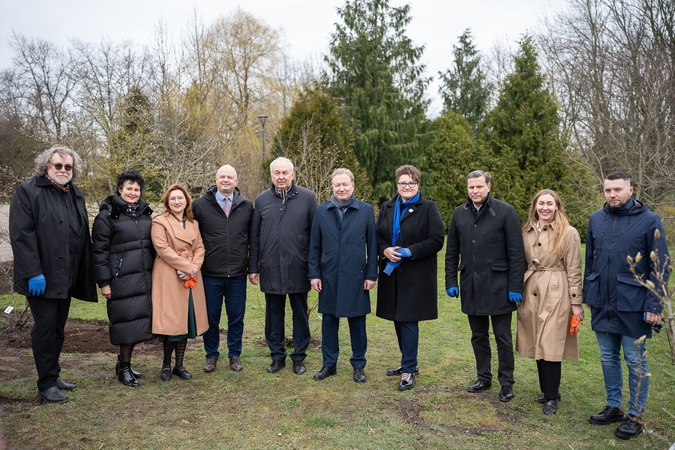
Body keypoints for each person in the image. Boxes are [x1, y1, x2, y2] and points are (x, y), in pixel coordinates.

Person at [584, 171, 669, 439]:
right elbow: (590, 261)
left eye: (618, 190)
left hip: (634, 304)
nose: (612, 195)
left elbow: (660, 266)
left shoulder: (649, 220)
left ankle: (636, 414)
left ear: (630, 190)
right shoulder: (596, 219)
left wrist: (654, 305)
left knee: (635, 361)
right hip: (602, 302)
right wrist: (589, 293)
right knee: (608, 357)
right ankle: (614, 407)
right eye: (608, 190)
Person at [9, 145, 98, 403]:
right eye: (57, 165)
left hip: (66, 277)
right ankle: (46, 384)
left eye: (67, 167)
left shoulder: (74, 194)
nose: (62, 170)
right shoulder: (28, 192)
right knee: (45, 329)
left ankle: (53, 374)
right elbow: (21, 236)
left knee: (58, 328)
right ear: (46, 166)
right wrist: (33, 272)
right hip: (42, 279)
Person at [445, 170, 525, 402]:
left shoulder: (505, 212)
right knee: (478, 335)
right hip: (471, 284)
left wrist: (515, 285)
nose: (475, 191)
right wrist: (451, 280)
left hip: (499, 286)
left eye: (479, 186)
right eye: (471, 187)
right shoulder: (459, 214)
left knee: (503, 337)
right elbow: (451, 252)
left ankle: (506, 382)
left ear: (489, 187)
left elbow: (516, 253)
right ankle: (483, 377)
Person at [375, 165, 444, 391]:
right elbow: (377, 236)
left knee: (408, 319)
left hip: (416, 274)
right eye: (403, 183)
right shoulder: (387, 207)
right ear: (397, 185)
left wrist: (408, 251)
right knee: (397, 317)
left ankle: (408, 370)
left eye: (411, 183)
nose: (407, 187)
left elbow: (436, 240)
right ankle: (408, 362)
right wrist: (385, 250)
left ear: (418, 185)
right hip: (391, 273)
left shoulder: (428, 208)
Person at [516, 189, 583, 414]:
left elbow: (574, 269)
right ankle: (547, 391)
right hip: (531, 288)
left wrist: (576, 302)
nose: (545, 207)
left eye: (550, 204)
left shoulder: (568, 232)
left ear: (557, 207)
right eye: (541, 203)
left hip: (556, 289)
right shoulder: (525, 231)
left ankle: (552, 397)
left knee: (551, 342)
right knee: (537, 339)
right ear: (535, 206)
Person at [308, 168, 378, 383]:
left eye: (345, 184)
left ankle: (358, 365)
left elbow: (373, 246)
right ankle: (329, 364)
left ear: (353, 186)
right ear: (332, 187)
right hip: (328, 277)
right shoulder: (321, 211)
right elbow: (314, 247)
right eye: (337, 185)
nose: (341, 188)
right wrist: (314, 274)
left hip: (356, 277)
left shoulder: (365, 211)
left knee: (357, 324)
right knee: (329, 323)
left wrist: (371, 275)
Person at [249, 157, 316, 375]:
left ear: (292, 174)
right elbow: (255, 236)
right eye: (276, 173)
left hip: (299, 267)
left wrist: (314, 268)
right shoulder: (261, 200)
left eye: (285, 172)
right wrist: (253, 267)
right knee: (273, 315)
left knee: (300, 314)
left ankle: (299, 357)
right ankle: (277, 357)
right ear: (271, 175)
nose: (281, 176)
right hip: (271, 267)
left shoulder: (307, 198)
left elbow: (315, 236)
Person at [92, 170, 154, 387]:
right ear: (120, 189)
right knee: (125, 324)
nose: (133, 192)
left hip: (143, 278)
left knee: (136, 323)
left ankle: (123, 364)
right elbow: (99, 252)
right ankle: (124, 368)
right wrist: (104, 282)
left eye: (137, 189)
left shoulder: (145, 214)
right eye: (129, 188)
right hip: (120, 280)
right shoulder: (107, 216)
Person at [192, 165, 253, 373]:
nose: (225, 180)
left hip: (237, 273)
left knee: (237, 317)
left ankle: (234, 354)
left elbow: (252, 239)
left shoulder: (246, 206)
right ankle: (211, 355)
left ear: (236, 181)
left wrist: (252, 267)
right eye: (222, 177)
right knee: (211, 317)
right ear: (215, 179)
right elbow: (193, 238)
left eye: (230, 177)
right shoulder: (200, 205)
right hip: (210, 273)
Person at [151, 184, 209, 381]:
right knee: (172, 323)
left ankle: (180, 365)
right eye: (173, 198)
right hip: (169, 275)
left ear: (186, 201)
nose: (177, 202)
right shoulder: (159, 222)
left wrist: (194, 267)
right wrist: (185, 267)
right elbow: (162, 249)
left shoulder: (193, 223)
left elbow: (200, 247)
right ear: (168, 201)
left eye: (180, 198)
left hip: (191, 275)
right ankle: (166, 365)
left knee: (186, 321)